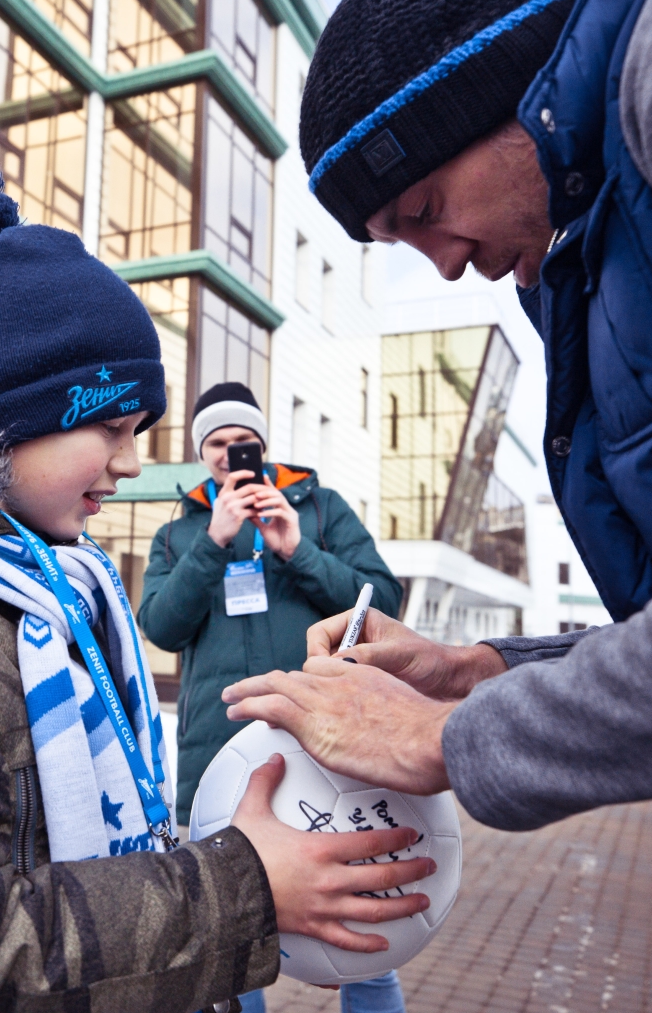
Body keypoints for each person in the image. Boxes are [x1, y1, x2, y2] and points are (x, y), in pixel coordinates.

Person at [226, 0, 652, 991]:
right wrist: (490, 670)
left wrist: (456, 736)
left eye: (422, 207)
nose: (441, 261)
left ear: (496, 97)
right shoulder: (590, 248)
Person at [0, 173, 438, 1013]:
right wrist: (240, 888)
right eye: (113, 429)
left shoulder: (59, 586)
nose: (130, 466)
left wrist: (298, 553)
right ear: (8, 420)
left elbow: (375, 603)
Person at [139, 382, 405, 1013]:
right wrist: (212, 544)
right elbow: (160, 626)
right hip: (221, 747)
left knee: (366, 930)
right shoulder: (179, 535)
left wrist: (296, 548)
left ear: (263, 445)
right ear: (205, 456)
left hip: (329, 744)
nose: (234, 455)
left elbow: (383, 605)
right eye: (219, 445)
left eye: (246, 443)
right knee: (234, 941)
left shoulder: (319, 509)